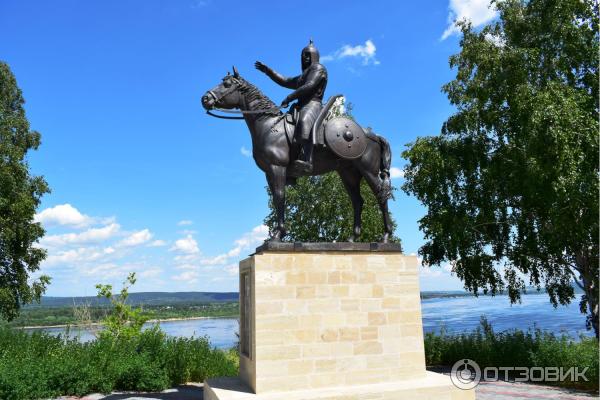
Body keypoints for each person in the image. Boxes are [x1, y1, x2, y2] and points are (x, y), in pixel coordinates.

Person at [255, 39, 328, 173]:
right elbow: (285, 80)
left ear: (314, 56)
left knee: (304, 121)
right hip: (299, 106)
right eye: (302, 55)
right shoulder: (302, 76)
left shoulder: (319, 68)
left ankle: (308, 160)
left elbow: (309, 86)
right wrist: (268, 71)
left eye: (307, 54)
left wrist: (289, 97)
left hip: (313, 104)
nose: (304, 57)